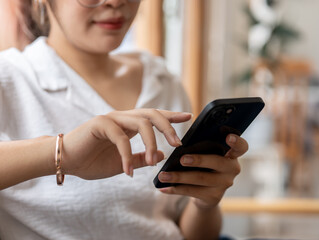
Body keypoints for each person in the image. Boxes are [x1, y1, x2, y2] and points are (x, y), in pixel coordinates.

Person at [0, 0, 248, 239]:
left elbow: (191, 231)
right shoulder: (10, 79)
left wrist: (205, 202)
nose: (116, 2)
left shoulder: (162, 81)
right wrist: (63, 154)